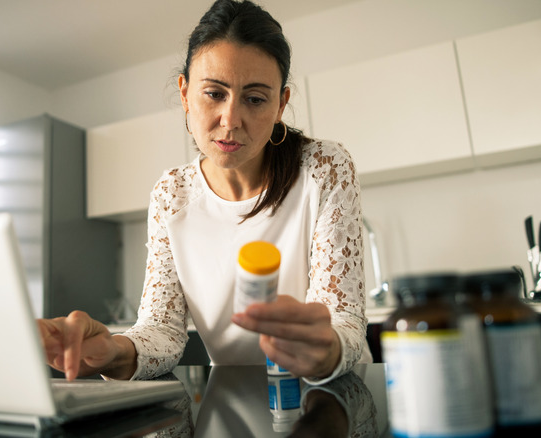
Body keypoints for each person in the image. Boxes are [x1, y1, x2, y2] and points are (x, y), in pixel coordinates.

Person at [38, 0, 370, 385]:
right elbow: (161, 329)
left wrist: (326, 348)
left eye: (255, 98)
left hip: (337, 390)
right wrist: (115, 350)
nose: (230, 120)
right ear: (185, 94)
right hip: (232, 402)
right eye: (214, 93)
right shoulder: (171, 194)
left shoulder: (324, 168)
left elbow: (343, 316)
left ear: (281, 105)